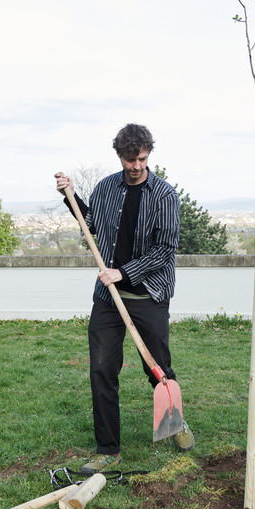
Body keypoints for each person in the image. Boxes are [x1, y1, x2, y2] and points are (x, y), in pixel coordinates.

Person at [54, 123, 193, 475]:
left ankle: (174, 420)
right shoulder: (105, 189)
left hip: (149, 293)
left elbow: (166, 249)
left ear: (149, 154)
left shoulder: (164, 195)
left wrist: (124, 272)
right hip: (108, 297)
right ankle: (108, 450)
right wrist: (70, 195)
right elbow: (91, 223)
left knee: (156, 364)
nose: (136, 166)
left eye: (142, 159)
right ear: (120, 156)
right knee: (102, 368)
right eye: (130, 159)